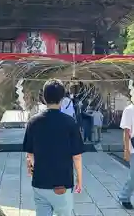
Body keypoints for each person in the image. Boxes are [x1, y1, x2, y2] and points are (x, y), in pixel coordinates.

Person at [23, 79, 84, 216]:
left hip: (40, 183)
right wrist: (79, 179)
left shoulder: (33, 122)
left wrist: (32, 170)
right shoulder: (70, 123)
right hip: (62, 184)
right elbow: (77, 156)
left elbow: (30, 155)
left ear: (44, 97)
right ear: (62, 98)